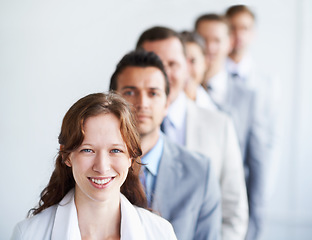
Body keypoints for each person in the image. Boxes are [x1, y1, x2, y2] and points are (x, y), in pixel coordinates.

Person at [11, 92, 177, 240]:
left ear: (131, 157)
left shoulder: (161, 233)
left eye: (115, 150)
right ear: (66, 155)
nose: (102, 167)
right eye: (88, 150)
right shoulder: (28, 234)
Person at [135, 27, 248, 240]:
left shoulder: (219, 125)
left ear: (187, 66)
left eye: (172, 64)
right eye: (155, 63)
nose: (164, 73)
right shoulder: (115, 128)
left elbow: (234, 212)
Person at [110, 49, 221, 240]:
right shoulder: (94, 166)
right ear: (112, 100)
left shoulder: (200, 171)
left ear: (167, 103)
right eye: (130, 92)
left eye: (153, 93)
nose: (142, 103)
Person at [195, 13, 272, 240]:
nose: (209, 47)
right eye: (202, 39)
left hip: (229, 215)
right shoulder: (176, 95)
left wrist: (253, 229)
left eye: (217, 40)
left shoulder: (249, 98)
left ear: (229, 43)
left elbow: (258, 167)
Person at [180, 30, 217, 111]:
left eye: (192, 61)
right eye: (180, 61)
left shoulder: (217, 111)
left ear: (205, 62)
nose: (186, 69)